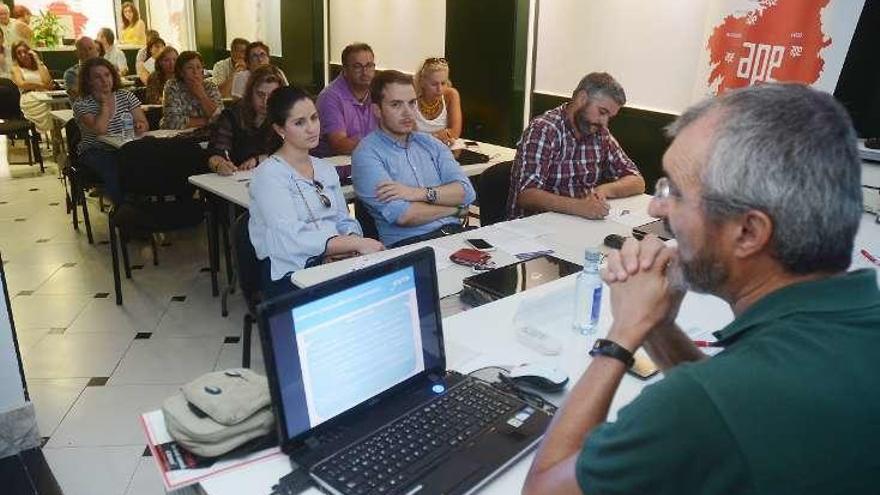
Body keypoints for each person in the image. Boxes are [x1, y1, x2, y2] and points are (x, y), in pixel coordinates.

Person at [522, 83, 879, 494]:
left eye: (675, 191)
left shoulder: (698, 406)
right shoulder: (856, 321)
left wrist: (622, 336)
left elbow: (542, 490)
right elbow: (740, 413)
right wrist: (659, 326)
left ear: (747, 231)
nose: (657, 208)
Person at [249, 85, 384, 298]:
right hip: (291, 272)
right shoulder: (269, 175)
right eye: (299, 123)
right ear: (280, 129)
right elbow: (291, 240)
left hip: (335, 260)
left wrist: (350, 244)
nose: (312, 128)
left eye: (314, 118)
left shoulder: (324, 168)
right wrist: (352, 244)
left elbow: (343, 218)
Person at [352, 70, 476, 247]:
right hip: (411, 247)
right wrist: (454, 209)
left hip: (455, 237)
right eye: (396, 105)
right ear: (377, 110)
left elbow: (466, 192)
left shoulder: (431, 143)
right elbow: (404, 215)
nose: (408, 113)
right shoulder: (367, 154)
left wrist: (415, 193)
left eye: (412, 103)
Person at [507, 72, 645, 220]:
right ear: (582, 98)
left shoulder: (600, 134)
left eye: (609, 117)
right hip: (534, 228)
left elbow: (637, 181)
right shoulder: (544, 129)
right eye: (602, 112)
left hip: (578, 223)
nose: (604, 122)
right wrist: (579, 207)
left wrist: (603, 190)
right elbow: (527, 195)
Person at [72, 57, 148, 204]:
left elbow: (143, 122)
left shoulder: (126, 96)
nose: (104, 80)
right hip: (95, 150)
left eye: (107, 75)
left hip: (126, 146)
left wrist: (140, 126)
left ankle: (145, 202)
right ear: (88, 81)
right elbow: (100, 130)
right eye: (97, 77)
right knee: (113, 167)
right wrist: (105, 105)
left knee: (144, 160)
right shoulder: (81, 104)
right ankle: (123, 208)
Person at [207, 64, 286, 176]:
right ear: (250, 93)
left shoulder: (284, 116)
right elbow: (216, 153)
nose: (265, 102)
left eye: (272, 95)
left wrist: (259, 159)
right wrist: (219, 164)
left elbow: (292, 152)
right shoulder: (231, 115)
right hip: (232, 180)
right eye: (260, 94)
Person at [314, 42, 378, 157]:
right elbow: (340, 144)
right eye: (358, 66)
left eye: (369, 65)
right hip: (336, 166)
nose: (365, 72)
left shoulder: (378, 92)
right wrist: (382, 146)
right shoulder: (330, 97)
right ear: (345, 69)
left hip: (368, 159)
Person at [160, 50, 221, 129]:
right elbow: (172, 121)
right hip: (176, 138)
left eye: (198, 67)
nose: (195, 72)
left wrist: (202, 96)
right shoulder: (172, 86)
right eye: (190, 68)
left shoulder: (210, 86)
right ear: (181, 72)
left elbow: (221, 118)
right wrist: (208, 121)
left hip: (206, 136)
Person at [414, 57, 462, 146]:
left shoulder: (451, 95)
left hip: (443, 149)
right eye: (434, 84)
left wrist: (426, 138)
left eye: (443, 83)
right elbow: (406, 136)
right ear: (422, 82)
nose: (439, 89)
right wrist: (439, 136)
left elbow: (455, 132)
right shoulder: (411, 97)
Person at [10, 41, 54, 135]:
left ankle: (55, 137)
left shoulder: (40, 66)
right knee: (45, 104)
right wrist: (41, 85)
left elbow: (47, 81)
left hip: (45, 94)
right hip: (29, 98)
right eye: (19, 53)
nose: (23, 55)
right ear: (15, 56)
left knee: (55, 104)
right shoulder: (16, 69)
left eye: (25, 51)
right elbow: (22, 84)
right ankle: (47, 135)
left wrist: (37, 60)